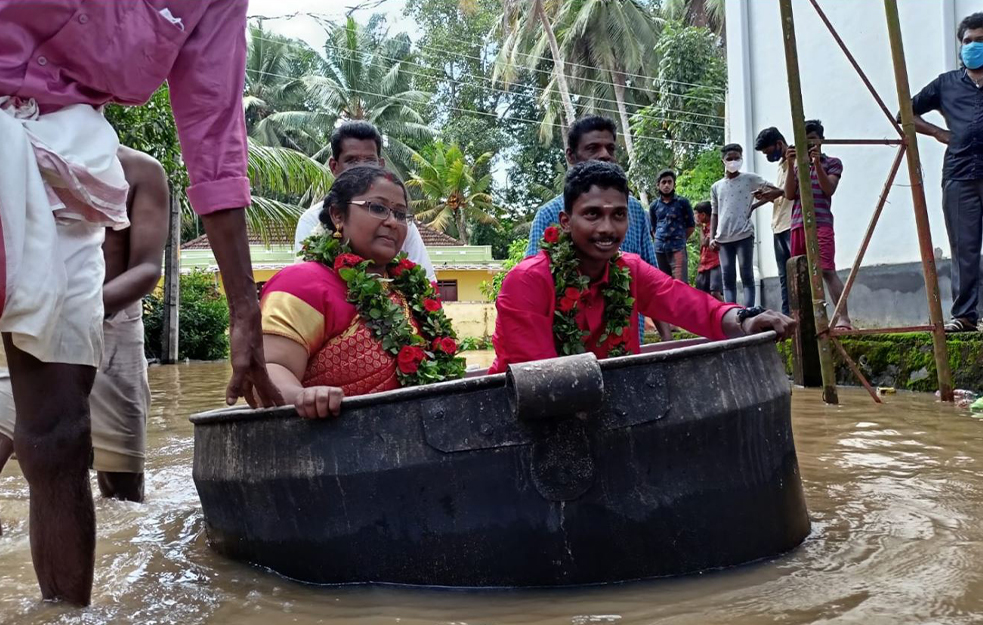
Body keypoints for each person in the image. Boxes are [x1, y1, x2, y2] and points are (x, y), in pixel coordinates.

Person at [0, 2, 282, 605]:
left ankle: (62, 616)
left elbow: (213, 134)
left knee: (59, 435)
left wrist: (243, 309)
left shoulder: (138, 171)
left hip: (68, 179)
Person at [490, 162, 794, 373]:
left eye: (618, 214)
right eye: (592, 214)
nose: (608, 228)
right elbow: (542, 380)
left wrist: (745, 320)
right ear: (566, 222)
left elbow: (692, 305)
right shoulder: (527, 282)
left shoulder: (629, 270)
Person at [0, 146, 168, 523]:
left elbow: (146, 269)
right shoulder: (21, 153)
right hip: (31, 320)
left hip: (115, 329)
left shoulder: (141, 171)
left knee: (123, 494)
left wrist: (79, 309)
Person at [262, 166, 464, 419]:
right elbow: (269, 369)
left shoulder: (411, 290)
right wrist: (302, 397)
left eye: (401, 214)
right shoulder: (301, 284)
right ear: (337, 215)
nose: (392, 222)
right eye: (377, 208)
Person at [525, 115, 670, 341]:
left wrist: (668, 344)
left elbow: (652, 285)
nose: (605, 155)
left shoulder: (635, 212)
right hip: (568, 353)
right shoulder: (548, 216)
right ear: (571, 156)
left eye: (610, 148)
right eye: (593, 148)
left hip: (624, 349)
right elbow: (532, 291)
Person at [911, 12, 983, 333]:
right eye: (968, 41)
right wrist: (938, 133)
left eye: (980, 41)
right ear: (960, 47)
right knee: (964, 247)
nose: (973, 46)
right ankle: (966, 316)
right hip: (959, 175)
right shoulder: (946, 84)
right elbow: (906, 111)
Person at [293, 121, 436, 281]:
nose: (362, 169)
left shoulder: (399, 222)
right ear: (334, 166)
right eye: (352, 161)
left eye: (369, 161)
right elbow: (307, 280)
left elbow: (427, 285)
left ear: (381, 166)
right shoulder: (311, 220)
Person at [782, 120, 851, 329]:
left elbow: (828, 188)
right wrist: (789, 166)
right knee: (800, 272)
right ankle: (806, 321)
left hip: (821, 223)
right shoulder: (796, 167)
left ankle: (843, 317)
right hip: (797, 224)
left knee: (827, 270)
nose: (810, 145)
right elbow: (789, 194)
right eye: (805, 141)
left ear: (821, 140)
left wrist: (817, 163)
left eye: (813, 140)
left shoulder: (833, 162)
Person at [709, 144, 780, 307]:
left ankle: (748, 312)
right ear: (723, 161)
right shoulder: (716, 187)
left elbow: (777, 191)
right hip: (723, 238)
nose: (733, 161)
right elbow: (715, 213)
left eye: (737, 158)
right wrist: (712, 237)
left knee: (747, 274)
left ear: (741, 159)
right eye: (730, 158)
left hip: (744, 235)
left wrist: (754, 205)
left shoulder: (750, 179)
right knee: (728, 277)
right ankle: (731, 311)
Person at [754, 127, 793, 315]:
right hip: (778, 226)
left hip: (792, 225)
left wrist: (777, 191)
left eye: (769, 152)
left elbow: (794, 192)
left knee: (798, 274)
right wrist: (769, 195)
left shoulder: (795, 161)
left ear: (779, 144)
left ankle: (802, 314)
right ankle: (787, 315)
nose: (768, 157)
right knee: (784, 277)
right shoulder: (780, 166)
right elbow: (782, 195)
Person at [650, 169, 695, 283]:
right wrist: (660, 240)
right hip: (660, 250)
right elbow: (653, 228)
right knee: (663, 283)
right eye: (663, 182)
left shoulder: (682, 203)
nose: (666, 185)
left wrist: (680, 239)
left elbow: (691, 226)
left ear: (674, 184)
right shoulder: (654, 206)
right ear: (658, 185)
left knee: (680, 284)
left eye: (670, 182)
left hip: (677, 248)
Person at [694, 202, 723, 301]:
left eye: (696, 214)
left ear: (703, 215)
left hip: (715, 262)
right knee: (701, 293)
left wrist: (700, 228)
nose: (695, 216)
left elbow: (704, 242)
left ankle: (728, 309)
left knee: (715, 292)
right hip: (704, 264)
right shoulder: (705, 226)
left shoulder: (714, 225)